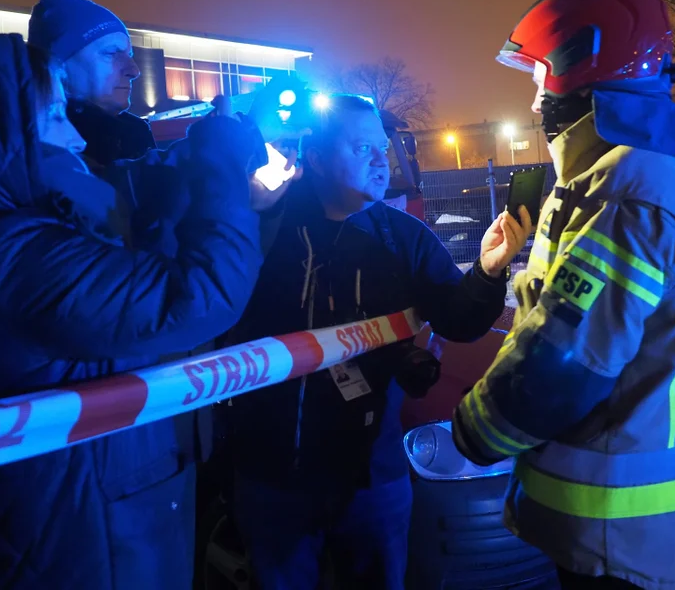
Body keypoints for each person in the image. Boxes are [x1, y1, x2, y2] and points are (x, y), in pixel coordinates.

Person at [0, 33, 265, 589]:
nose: (72, 135)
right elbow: (201, 295)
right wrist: (219, 159)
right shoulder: (9, 256)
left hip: (75, 521)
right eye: (52, 115)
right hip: (74, 543)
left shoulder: (1, 234)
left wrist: (183, 178)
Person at [451, 0, 675, 590]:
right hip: (622, 529)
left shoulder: (629, 189)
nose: (532, 106)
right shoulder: (630, 177)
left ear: (579, 74)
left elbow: (564, 357)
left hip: (617, 536)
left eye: (537, 82)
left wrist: (474, 427)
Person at [223, 94, 532, 590]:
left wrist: (488, 271)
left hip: (373, 476)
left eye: (381, 147)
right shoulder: (264, 230)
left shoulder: (402, 237)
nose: (380, 159)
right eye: (361, 147)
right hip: (273, 476)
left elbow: (459, 320)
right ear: (317, 158)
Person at [28, 0, 153, 167]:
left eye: (129, 55)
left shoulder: (137, 137)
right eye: (111, 53)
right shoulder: (35, 149)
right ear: (58, 65)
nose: (134, 71)